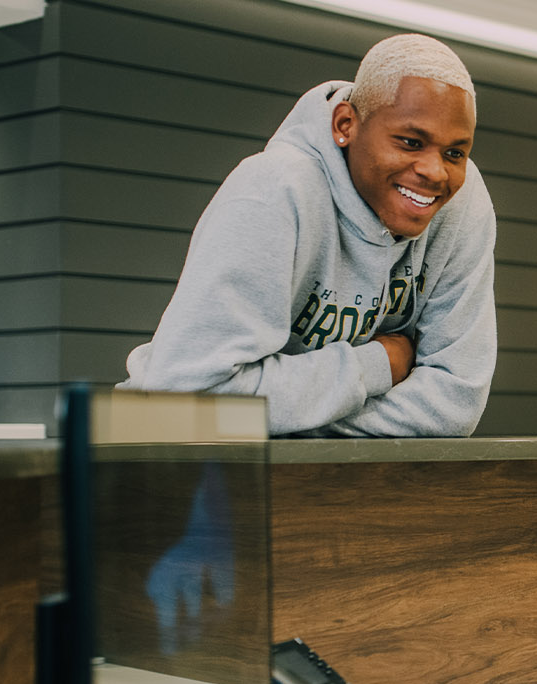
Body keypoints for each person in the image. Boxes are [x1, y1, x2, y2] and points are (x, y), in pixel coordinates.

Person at [121, 34, 497, 437]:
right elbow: (187, 402)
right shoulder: (272, 191)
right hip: (157, 453)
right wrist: (377, 366)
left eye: (455, 153)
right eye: (411, 142)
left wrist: (284, 427)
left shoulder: (461, 203)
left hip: (321, 468)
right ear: (345, 125)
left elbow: (455, 403)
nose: (435, 172)